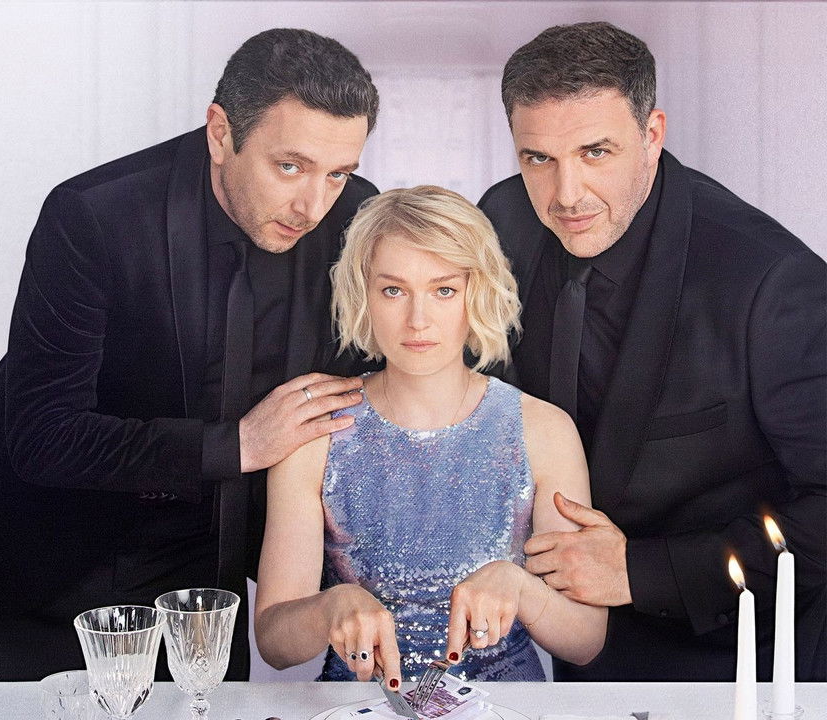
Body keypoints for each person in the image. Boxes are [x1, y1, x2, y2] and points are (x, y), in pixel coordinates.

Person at [0, 28, 382, 681]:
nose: (313, 205)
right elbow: (44, 435)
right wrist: (237, 445)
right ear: (220, 133)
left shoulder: (356, 219)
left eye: (337, 173)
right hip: (53, 563)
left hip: (211, 580)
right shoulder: (93, 216)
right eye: (289, 166)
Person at [479, 21, 826, 681]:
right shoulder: (503, 221)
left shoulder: (769, 281)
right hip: (569, 656)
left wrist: (642, 571)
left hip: (736, 665)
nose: (566, 195)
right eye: (538, 159)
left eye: (596, 152)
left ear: (653, 134)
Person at [253, 186, 606, 688]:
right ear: (363, 295)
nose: (418, 320)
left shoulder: (543, 430)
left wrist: (522, 589)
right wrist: (330, 606)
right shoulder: (317, 434)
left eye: (443, 290)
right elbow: (273, 642)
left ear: (476, 292)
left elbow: (586, 640)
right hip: (357, 707)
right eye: (393, 291)